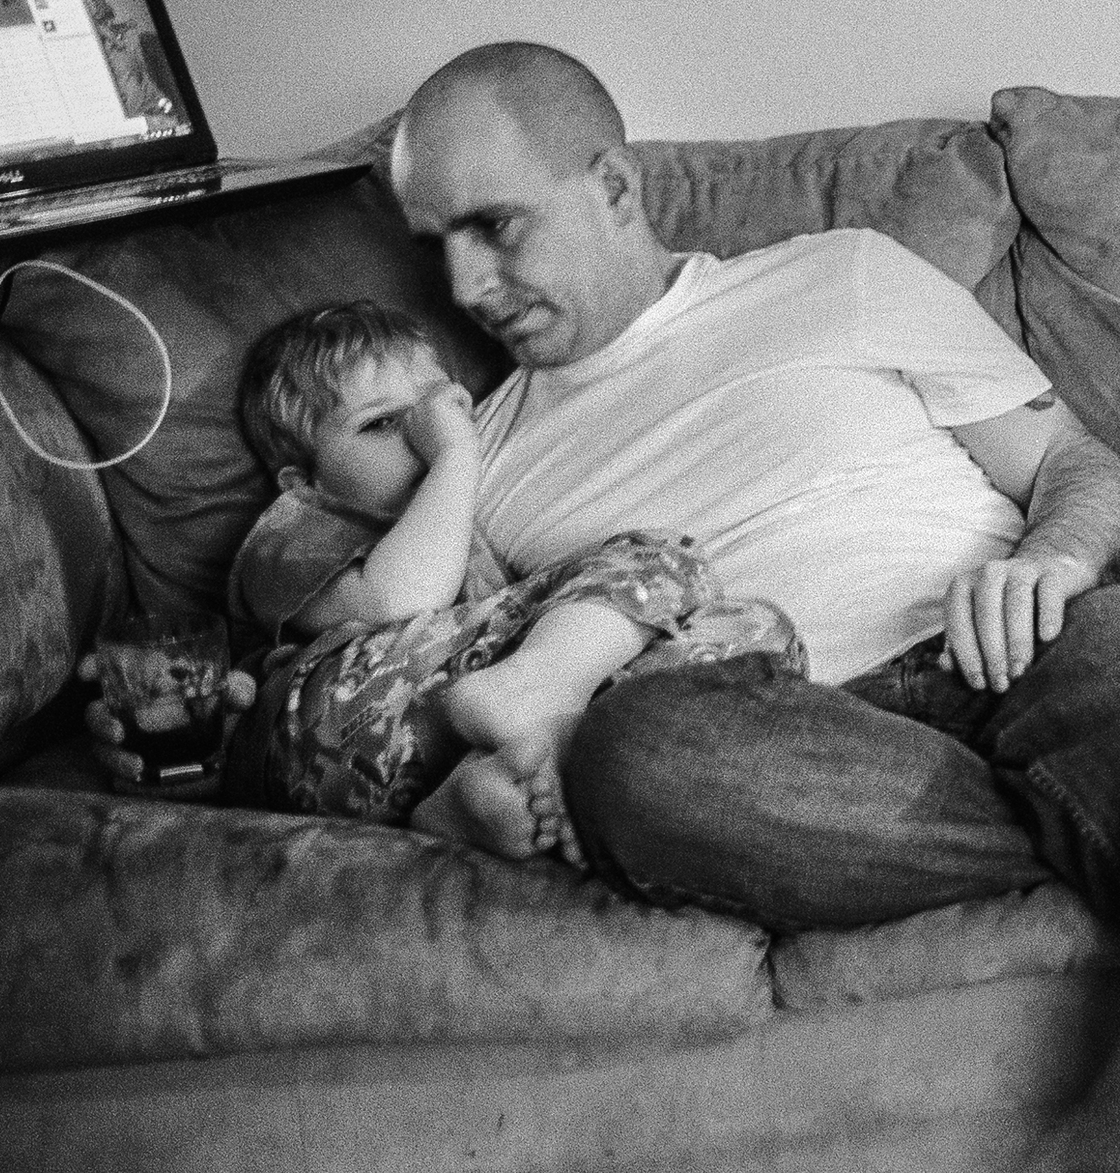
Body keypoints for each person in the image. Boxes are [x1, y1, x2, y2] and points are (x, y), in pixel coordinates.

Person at [379, 39, 1120, 1173]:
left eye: (495, 227)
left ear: (614, 186)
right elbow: (425, 689)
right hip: (788, 742)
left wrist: (1054, 561)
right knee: (632, 754)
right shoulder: (488, 459)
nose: (466, 285)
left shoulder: (838, 275)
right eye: (436, 247)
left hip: (1027, 645)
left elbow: (1077, 468)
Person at [223, 299, 798, 857]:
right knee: (661, 559)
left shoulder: (464, 535)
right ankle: (529, 702)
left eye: (439, 409)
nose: (426, 433)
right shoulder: (296, 525)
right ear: (302, 479)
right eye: (382, 423)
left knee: (757, 634)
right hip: (321, 730)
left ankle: (479, 791)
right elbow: (399, 600)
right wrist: (455, 457)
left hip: (429, 756)